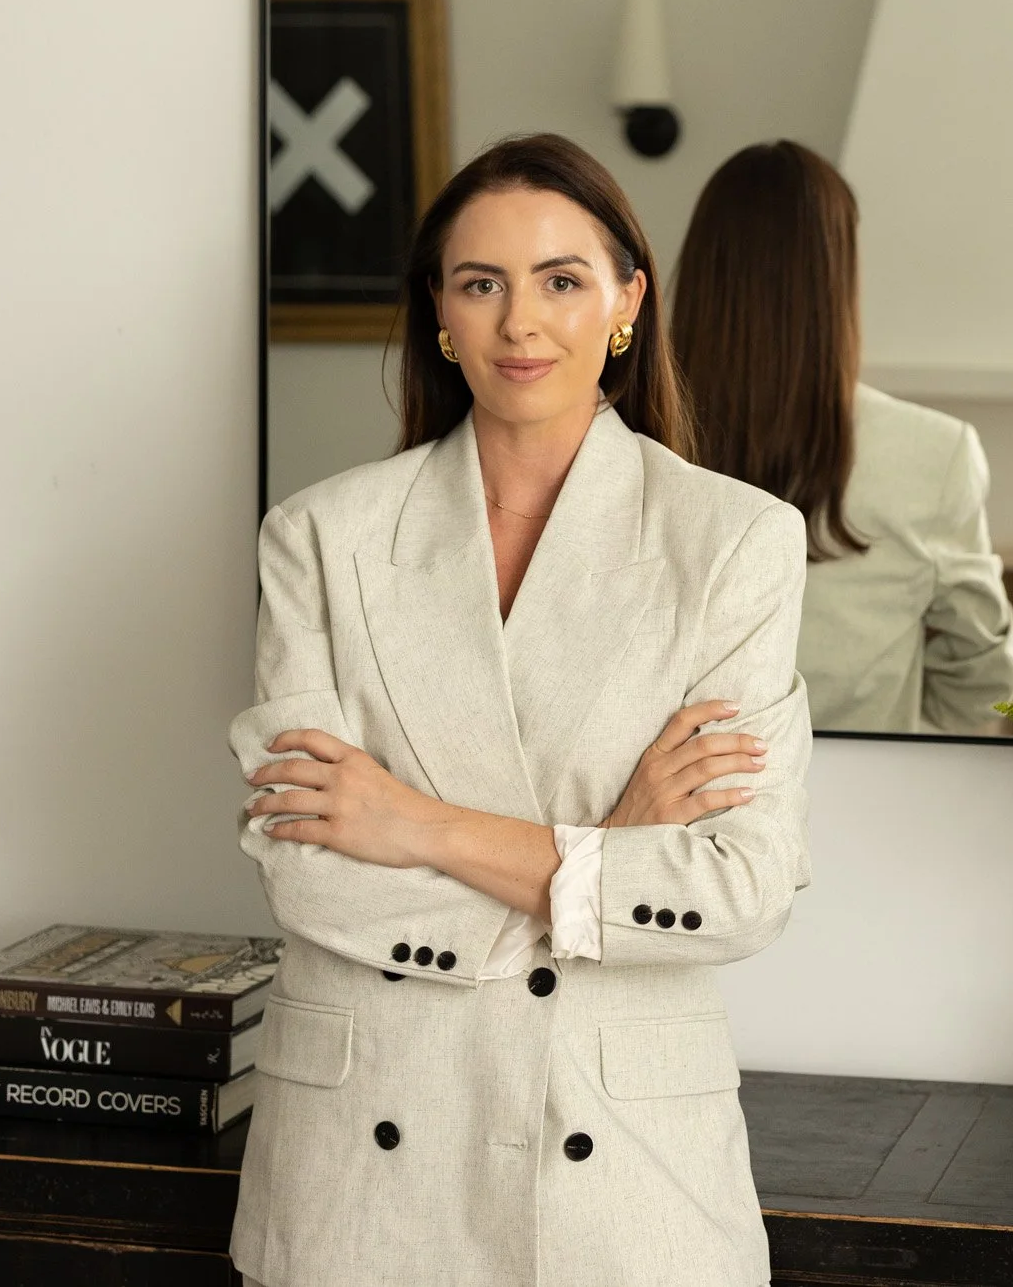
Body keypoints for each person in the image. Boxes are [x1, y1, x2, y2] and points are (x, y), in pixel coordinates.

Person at [231, 133, 810, 1287]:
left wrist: (415, 823)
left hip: (625, 1174)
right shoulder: (322, 538)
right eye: (479, 283)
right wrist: (614, 851)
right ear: (439, 315)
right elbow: (308, 873)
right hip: (363, 1172)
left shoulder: (734, 541)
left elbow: (739, 891)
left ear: (626, 302)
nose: (519, 324)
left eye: (560, 280)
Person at [672, 141, 1013, 737]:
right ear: (840, 280)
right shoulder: (934, 455)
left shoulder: (628, 437)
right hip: (871, 810)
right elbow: (984, 677)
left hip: (673, 815)